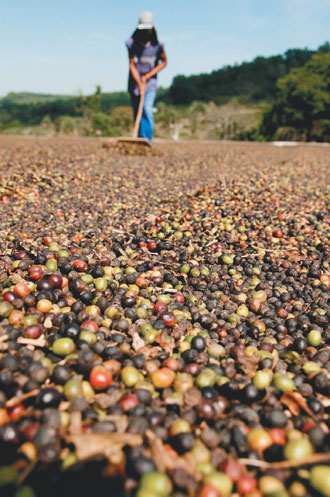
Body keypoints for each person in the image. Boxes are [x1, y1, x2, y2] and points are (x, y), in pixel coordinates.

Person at [126, 11, 167, 141]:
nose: (146, 33)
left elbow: (164, 62)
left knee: (147, 108)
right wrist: (139, 81)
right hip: (134, 82)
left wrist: (148, 76)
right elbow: (131, 64)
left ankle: (146, 140)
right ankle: (139, 138)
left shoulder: (158, 44)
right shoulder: (131, 43)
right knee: (137, 110)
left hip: (150, 83)